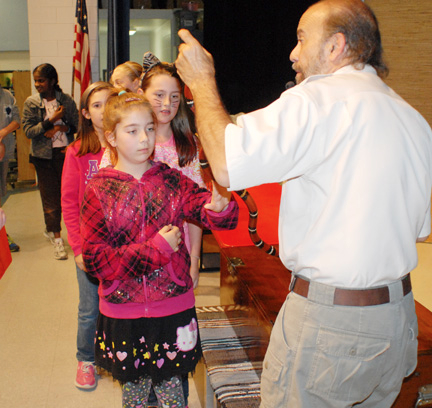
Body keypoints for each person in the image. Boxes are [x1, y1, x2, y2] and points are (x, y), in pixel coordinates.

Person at [175, 0, 432, 407]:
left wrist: (201, 81)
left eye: (301, 39)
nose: (293, 54)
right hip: (396, 318)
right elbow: (419, 228)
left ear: (335, 46)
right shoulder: (411, 118)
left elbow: (224, 164)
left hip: (331, 325)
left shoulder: (315, 101)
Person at [80, 92, 239, 407]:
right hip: (123, 310)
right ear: (111, 137)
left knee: (172, 391)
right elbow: (95, 260)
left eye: (150, 129)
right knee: (135, 394)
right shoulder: (98, 189)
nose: (144, 138)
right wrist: (155, 250)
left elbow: (205, 209)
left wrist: (219, 206)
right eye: (132, 130)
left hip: (172, 306)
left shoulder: (171, 180)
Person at [61, 81, 116, 390]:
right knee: (90, 308)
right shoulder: (77, 152)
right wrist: (78, 249)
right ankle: (86, 359)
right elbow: (69, 202)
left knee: (119, 305)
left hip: (122, 245)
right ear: (85, 113)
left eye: (109, 102)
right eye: (96, 105)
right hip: (91, 246)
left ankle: (114, 355)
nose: (104, 110)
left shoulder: (126, 145)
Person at [22, 63, 79, 260]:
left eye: (41, 80)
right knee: (50, 200)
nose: (37, 84)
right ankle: (57, 238)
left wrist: (61, 128)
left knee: (68, 196)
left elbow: (77, 125)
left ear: (52, 81)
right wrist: (51, 120)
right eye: (35, 81)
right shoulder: (31, 103)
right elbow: (28, 131)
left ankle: (68, 232)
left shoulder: (66, 100)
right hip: (43, 158)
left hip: (65, 155)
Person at [0, 84, 21, 252]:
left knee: (1, 192)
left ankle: (2, 233)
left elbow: (16, 120)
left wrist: (2, 134)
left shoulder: (7, 96)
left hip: (4, 154)